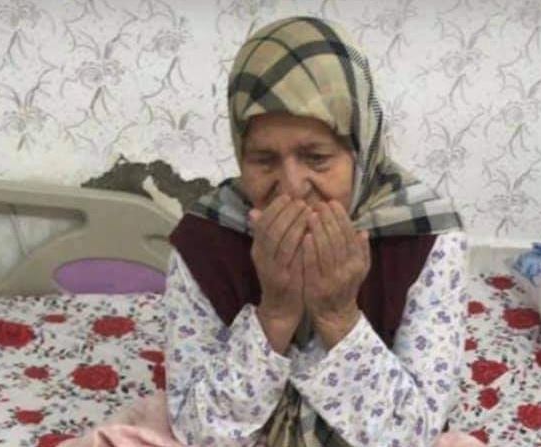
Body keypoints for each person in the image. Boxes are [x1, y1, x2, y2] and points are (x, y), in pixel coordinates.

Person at [164, 16, 471, 447]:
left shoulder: (423, 236)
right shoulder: (206, 238)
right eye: (263, 160)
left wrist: (337, 315)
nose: (291, 187)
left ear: (360, 150)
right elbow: (198, 430)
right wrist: (276, 312)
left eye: (317, 158)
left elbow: (411, 435)